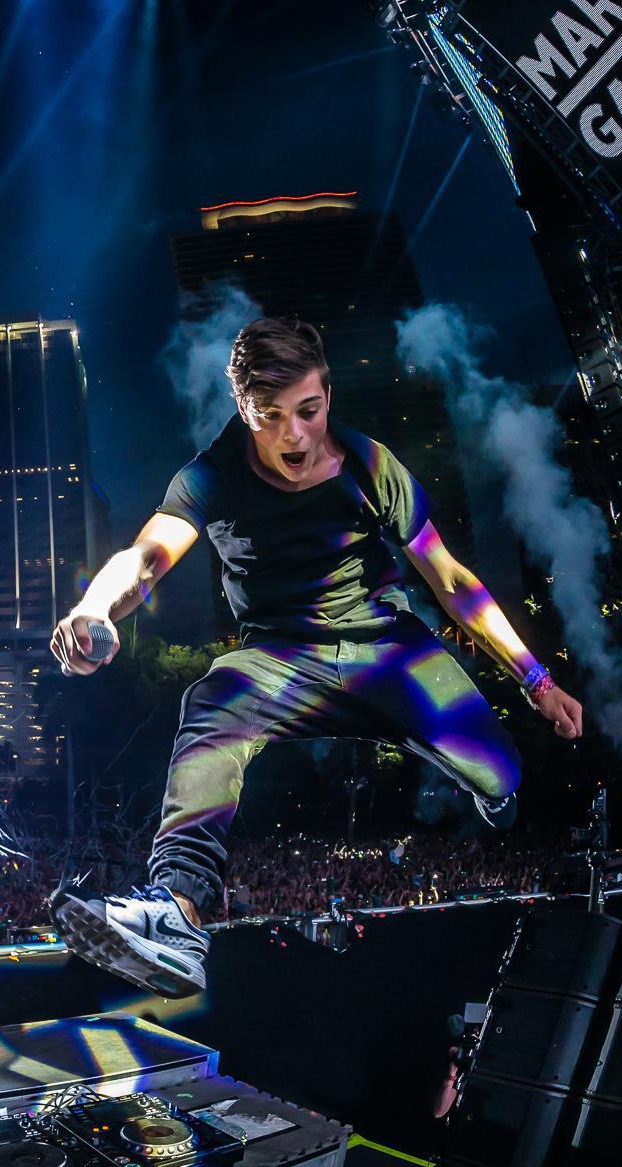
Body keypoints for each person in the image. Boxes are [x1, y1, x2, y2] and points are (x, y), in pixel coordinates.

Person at [48, 318, 584, 997]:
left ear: (327, 395)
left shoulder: (370, 466)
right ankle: (179, 910)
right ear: (244, 409)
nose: (294, 436)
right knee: (211, 699)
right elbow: (146, 556)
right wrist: (94, 608)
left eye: (307, 410)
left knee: (500, 771)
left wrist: (536, 679)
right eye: (270, 417)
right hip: (281, 659)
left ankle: (494, 789)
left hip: (390, 652)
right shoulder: (212, 474)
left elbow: (449, 579)